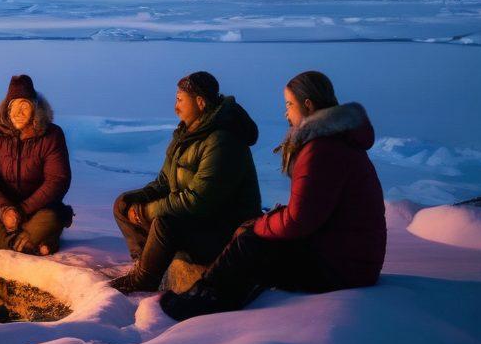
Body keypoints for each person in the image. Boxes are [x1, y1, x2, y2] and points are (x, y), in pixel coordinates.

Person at [160, 71, 386, 321]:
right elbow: (313, 213)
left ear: (308, 105)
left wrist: (259, 225)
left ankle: (204, 301)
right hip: (352, 259)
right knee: (255, 236)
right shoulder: (337, 142)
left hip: (340, 267)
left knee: (249, 242)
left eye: (289, 104)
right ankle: (206, 293)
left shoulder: (322, 149)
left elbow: (297, 221)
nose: (286, 113)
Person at [110, 71, 261, 293]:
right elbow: (164, 181)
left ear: (200, 102)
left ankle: (144, 280)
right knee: (123, 204)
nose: (175, 107)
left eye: (180, 100)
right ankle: (144, 263)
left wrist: (146, 211)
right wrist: (136, 201)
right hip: (197, 220)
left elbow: (197, 200)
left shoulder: (222, 141)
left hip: (222, 229)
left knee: (165, 223)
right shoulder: (186, 135)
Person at [0, 74, 74, 255]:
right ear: (7, 108)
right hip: (1, 211)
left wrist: (22, 210)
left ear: (35, 108)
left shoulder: (52, 135)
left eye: (24, 106)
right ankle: (31, 242)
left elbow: (57, 180)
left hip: (37, 210)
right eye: (13, 107)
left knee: (51, 217)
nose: (18, 113)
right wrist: (4, 209)